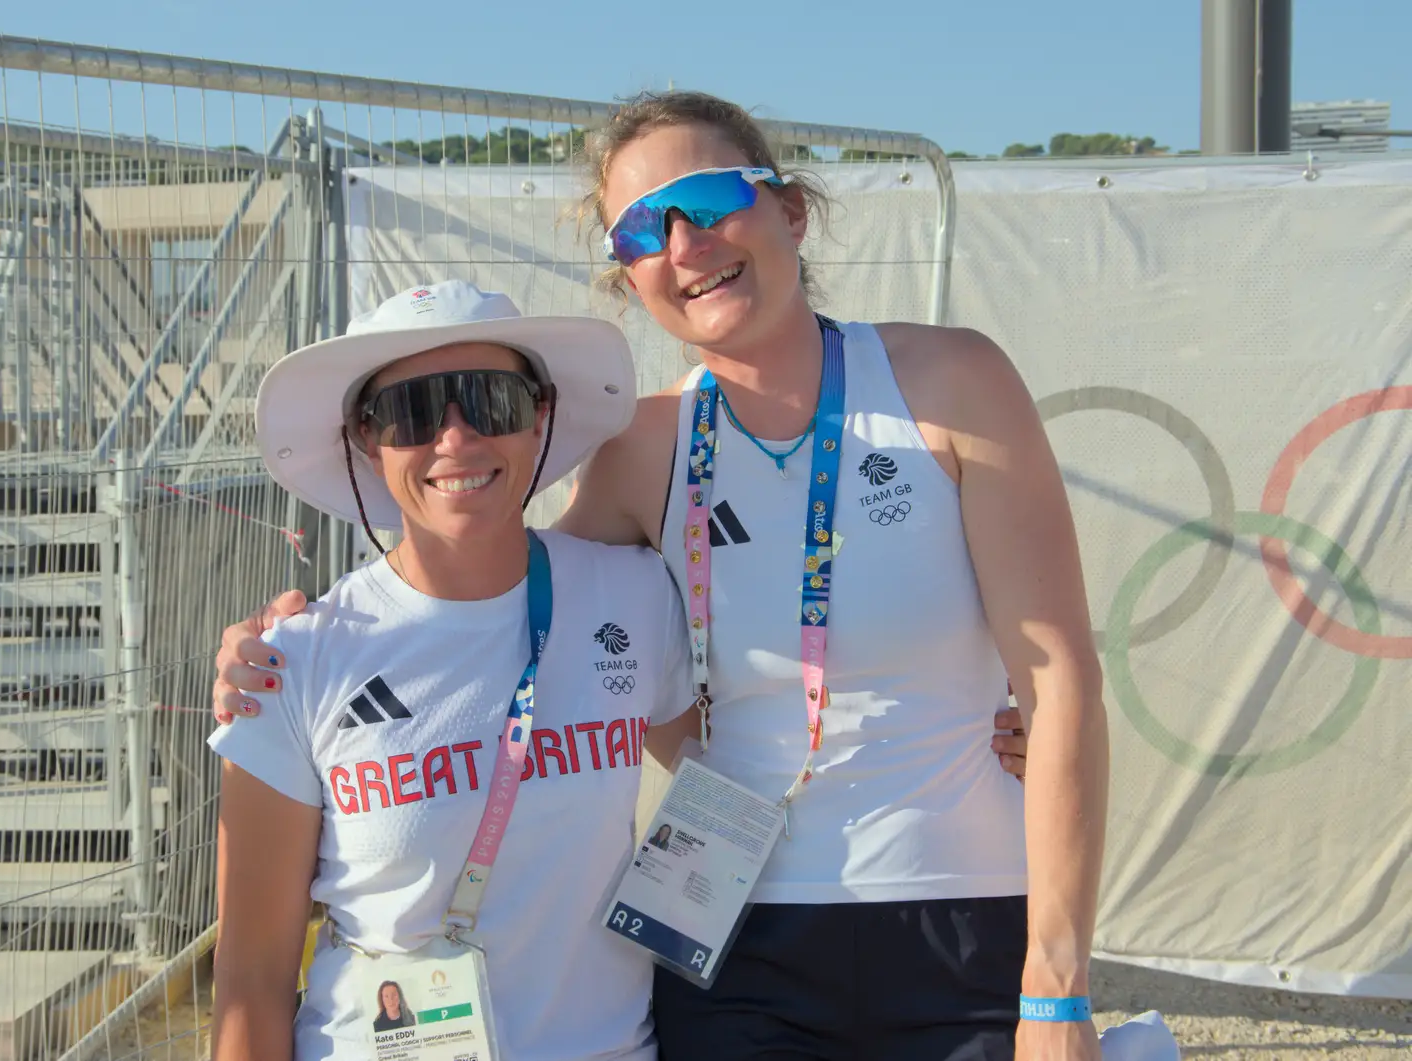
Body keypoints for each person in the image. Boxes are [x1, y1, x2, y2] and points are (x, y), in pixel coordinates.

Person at [213, 90, 1107, 1061]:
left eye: (709, 199)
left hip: (961, 918)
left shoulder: (951, 382)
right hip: (730, 940)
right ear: (626, 273)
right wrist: (288, 654)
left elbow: (1060, 680)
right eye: (643, 226)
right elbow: (493, 597)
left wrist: (1056, 991)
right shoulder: (643, 448)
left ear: (790, 210)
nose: (683, 242)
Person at [209, 280, 698, 1061]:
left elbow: (733, 765)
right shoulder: (290, 662)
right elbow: (252, 980)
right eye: (412, 411)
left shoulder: (636, 596)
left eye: (490, 400)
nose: (456, 438)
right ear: (368, 440)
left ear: (541, 414)